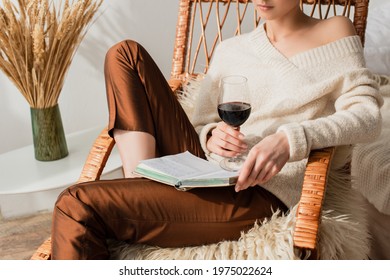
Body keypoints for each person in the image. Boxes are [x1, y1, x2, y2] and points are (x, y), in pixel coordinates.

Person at [51, 0, 383, 259]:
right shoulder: (231, 49)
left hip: (257, 189)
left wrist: (289, 139)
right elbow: (199, 121)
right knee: (124, 54)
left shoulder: (335, 29)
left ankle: (137, 199)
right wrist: (210, 134)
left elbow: (366, 117)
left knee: (75, 204)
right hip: (205, 166)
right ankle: (140, 181)